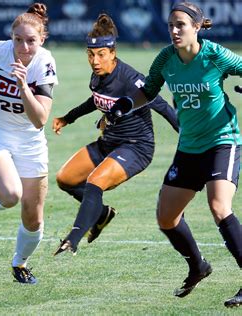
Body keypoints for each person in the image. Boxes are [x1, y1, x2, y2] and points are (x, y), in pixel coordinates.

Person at [110, 1, 242, 307]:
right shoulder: (166, 58)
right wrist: (124, 105)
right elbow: (150, 89)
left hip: (223, 140)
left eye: (180, 24)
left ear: (196, 27)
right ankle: (198, 265)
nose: (174, 30)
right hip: (190, 146)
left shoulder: (214, 54)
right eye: (171, 25)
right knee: (166, 217)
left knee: (219, 206)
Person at [52, 13, 178, 256]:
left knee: (94, 182)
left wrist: (188, 136)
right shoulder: (97, 75)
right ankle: (101, 214)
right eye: (91, 54)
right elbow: (96, 100)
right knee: (64, 179)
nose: (95, 60)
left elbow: (162, 107)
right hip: (108, 143)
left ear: (112, 53)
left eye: (101, 54)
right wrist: (69, 117)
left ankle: (73, 238)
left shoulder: (131, 79)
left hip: (136, 148)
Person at [0, 3, 58, 284]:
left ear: (42, 39)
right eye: (18, 39)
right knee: (9, 194)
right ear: (11, 37)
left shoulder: (44, 63)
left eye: (31, 41)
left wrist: (22, 87)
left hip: (30, 142)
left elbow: (40, 119)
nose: (24, 47)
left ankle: (20, 263)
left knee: (33, 217)